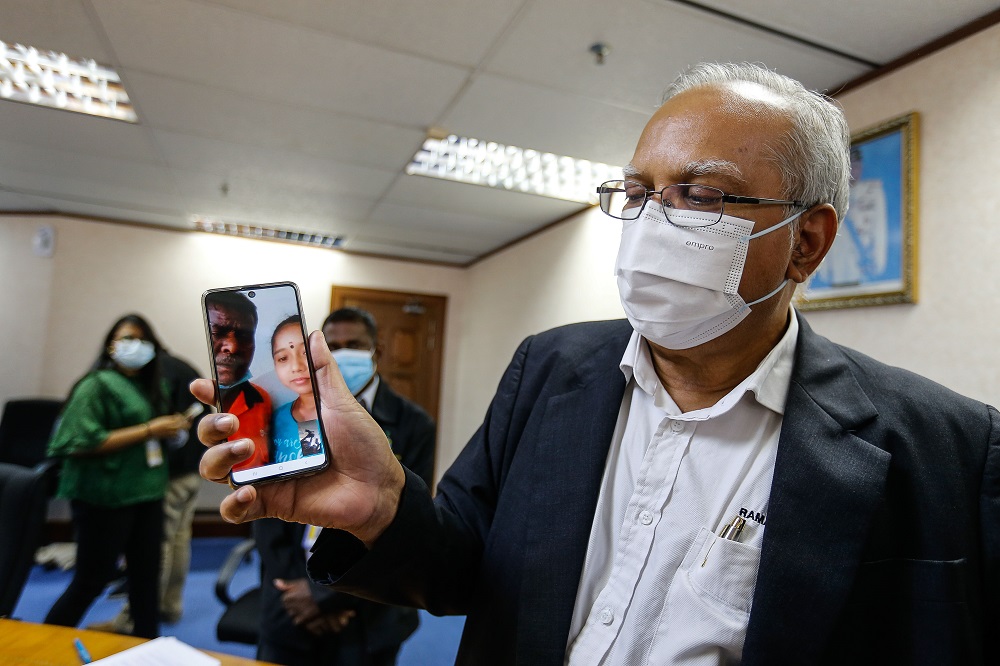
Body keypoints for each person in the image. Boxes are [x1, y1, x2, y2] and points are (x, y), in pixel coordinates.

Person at [196, 62, 1000, 665]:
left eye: (700, 194)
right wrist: (380, 508)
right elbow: (460, 573)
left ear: (808, 241)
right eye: (639, 191)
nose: (653, 220)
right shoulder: (550, 368)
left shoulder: (948, 450)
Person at [253, 307, 436, 666]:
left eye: (354, 344)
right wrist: (294, 587)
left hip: (369, 604)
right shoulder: (287, 413)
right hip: (289, 598)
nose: (341, 353)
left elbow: (404, 521)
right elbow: (268, 515)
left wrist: (326, 596)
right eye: (332, 346)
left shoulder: (414, 425)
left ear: (375, 352)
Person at [45, 314, 190, 638]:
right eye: (126, 339)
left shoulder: (152, 385)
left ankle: (147, 646)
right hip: (104, 497)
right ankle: (41, 645)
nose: (134, 346)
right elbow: (78, 441)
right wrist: (149, 429)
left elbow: (156, 434)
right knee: (92, 580)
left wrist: (173, 432)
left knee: (145, 578)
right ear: (111, 346)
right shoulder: (94, 385)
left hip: (147, 491)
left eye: (142, 340)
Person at [97, 351, 207, 633]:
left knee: (156, 546)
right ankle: (169, 605)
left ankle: (131, 619)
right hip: (193, 469)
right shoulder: (182, 366)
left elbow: (159, 426)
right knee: (180, 538)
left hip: (169, 474)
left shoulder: (158, 374)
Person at [204, 290, 271, 470]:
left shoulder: (262, 399)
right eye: (218, 332)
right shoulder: (193, 396)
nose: (232, 347)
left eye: (244, 336)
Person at [269, 315, 324, 463]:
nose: (296, 367)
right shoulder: (275, 419)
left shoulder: (341, 413)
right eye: (283, 358)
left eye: (305, 352)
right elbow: (310, 461)